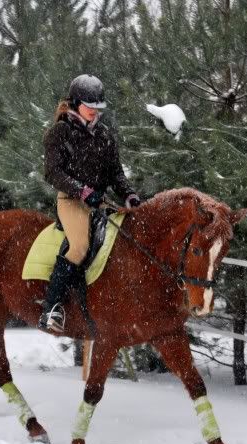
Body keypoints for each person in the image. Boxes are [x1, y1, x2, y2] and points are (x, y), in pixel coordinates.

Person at [38, 74, 141, 333]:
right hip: (71, 200)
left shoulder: (104, 135)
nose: (94, 111)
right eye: (89, 106)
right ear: (75, 103)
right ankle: (51, 308)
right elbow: (53, 173)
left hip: (99, 201)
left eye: (98, 107)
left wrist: (129, 195)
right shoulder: (60, 132)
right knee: (80, 246)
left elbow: (116, 173)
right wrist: (83, 191)